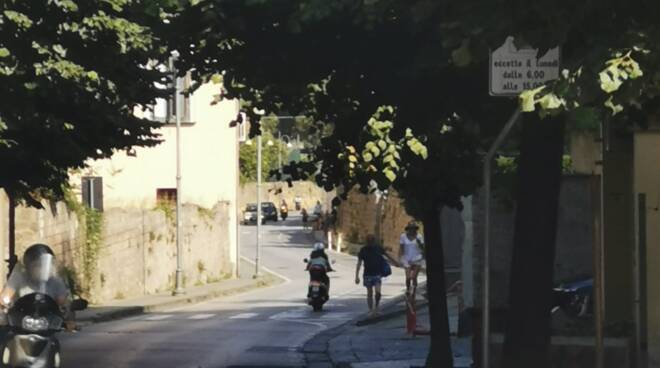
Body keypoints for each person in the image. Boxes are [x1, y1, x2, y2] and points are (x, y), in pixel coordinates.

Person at [0, 243, 75, 331]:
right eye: (37, 265)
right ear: (28, 266)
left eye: (46, 265)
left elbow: (63, 304)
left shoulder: (56, 282)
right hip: (20, 324)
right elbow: (5, 297)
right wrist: (4, 304)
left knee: (59, 342)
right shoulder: (19, 278)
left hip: (47, 326)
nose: (42, 269)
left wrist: (68, 318)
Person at [355, 235, 397, 317]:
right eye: (368, 241)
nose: (370, 242)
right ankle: (371, 310)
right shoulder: (363, 250)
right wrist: (356, 276)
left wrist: (395, 263)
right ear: (366, 241)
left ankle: (376, 308)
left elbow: (387, 255)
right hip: (367, 274)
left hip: (377, 274)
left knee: (378, 293)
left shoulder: (378, 248)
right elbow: (359, 263)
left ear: (373, 241)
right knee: (369, 293)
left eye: (371, 241)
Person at [400, 221, 424, 299]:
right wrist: (400, 257)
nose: (412, 230)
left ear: (415, 229)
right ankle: (408, 289)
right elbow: (401, 248)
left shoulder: (419, 237)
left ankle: (414, 290)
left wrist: (420, 244)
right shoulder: (403, 236)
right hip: (407, 259)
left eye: (413, 229)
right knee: (408, 278)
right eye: (410, 229)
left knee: (414, 277)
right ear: (408, 229)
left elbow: (422, 248)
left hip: (417, 258)